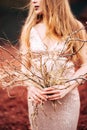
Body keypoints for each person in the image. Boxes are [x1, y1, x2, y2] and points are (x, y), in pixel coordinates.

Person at [20, 0, 87, 130]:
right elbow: (24, 67)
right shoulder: (29, 29)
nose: (33, 1)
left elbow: (86, 65)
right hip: (38, 100)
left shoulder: (75, 27)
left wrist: (66, 88)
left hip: (67, 99)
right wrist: (31, 88)